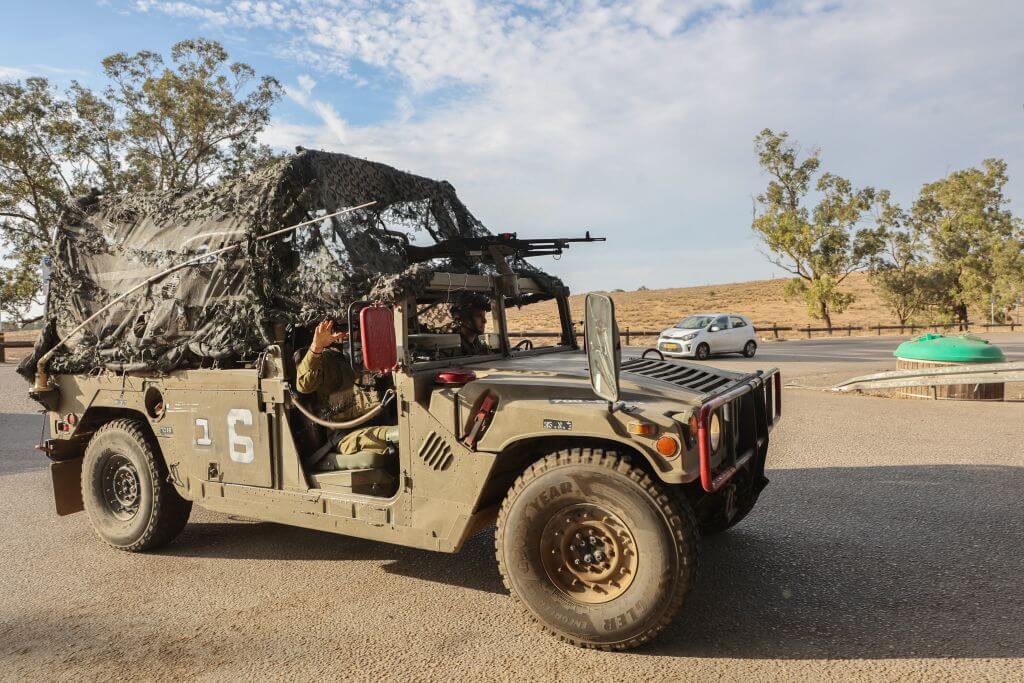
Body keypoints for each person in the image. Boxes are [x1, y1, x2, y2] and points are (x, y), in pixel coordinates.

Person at [296, 319, 396, 471]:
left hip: (379, 421)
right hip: (347, 435)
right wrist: (317, 347)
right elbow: (304, 384)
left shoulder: (370, 355)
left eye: (356, 327)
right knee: (403, 435)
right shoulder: (327, 361)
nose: (352, 333)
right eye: (345, 329)